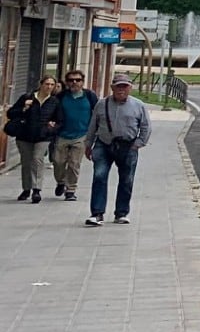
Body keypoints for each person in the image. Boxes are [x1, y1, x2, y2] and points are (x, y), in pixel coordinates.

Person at [83, 74, 151, 227]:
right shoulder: (102, 104)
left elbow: (145, 126)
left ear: (130, 88)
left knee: (127, 180)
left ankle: (121, 213)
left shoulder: (138, 105)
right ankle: (97, 213)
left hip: (128, 146)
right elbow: (93, 125)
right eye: (118, 86)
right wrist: (88, 144)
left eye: (124, 86)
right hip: (104, 144)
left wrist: (139, 143)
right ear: (112, 87)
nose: (121, 90)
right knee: (99, 177)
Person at [6, 74, 62, 203]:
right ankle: (26, 189)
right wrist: (24, 108)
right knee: (26, 162)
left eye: (52, 85)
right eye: (47, 84)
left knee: (37, 159)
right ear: (41, 84)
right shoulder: (27, 98)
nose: (49, 87)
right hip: (24, 135)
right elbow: (11, 113)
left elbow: (60, 120)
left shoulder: (54, 102)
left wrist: (51, 128)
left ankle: (36, 190)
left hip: (43, 136)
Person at [50, 70, 97, 202]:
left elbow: (97, 113)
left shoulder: (89, 96)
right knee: (58, 162)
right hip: (62, 134)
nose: (74, 82)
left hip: (81, 135)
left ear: (82, 82)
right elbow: (52, 112)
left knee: (74, 163)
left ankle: (70, 190)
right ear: (66, 82)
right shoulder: (61, 97)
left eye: (77, 80)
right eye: (71, 80)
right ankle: (61, 181)